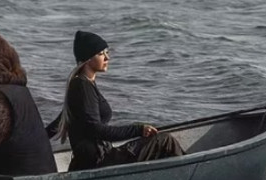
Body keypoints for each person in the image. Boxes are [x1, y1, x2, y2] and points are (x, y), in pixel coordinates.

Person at [46, 30, 185, 171]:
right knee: (165, 141)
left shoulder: (83, 84)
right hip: (99, 161)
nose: (107, 58)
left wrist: (34, 138)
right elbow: (97, 130)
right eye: (101, 54)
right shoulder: (82, 87)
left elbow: (60, 122)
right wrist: (138, 129)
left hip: (95, 158)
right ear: (88, 59)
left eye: (107, 52)